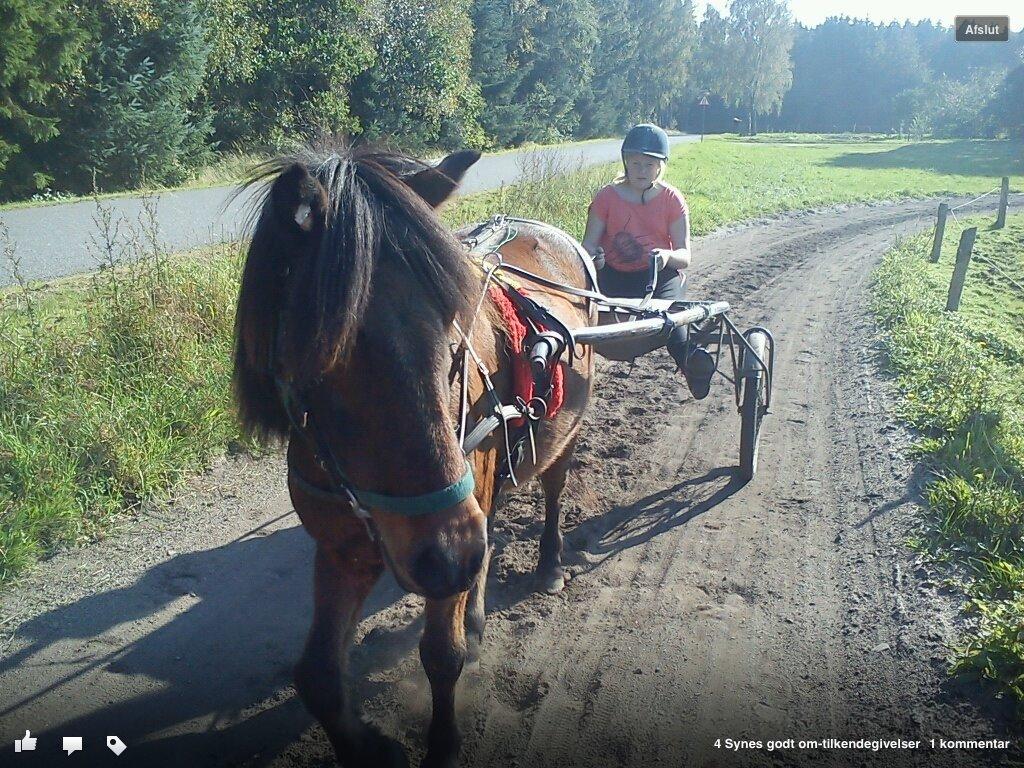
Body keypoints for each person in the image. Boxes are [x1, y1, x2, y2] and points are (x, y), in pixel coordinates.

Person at [581, 123, 716, 398]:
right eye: (636, 163)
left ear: (660, 167)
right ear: (626, 163)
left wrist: (666, 256)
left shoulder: (671, 199)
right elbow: (588, 246)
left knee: (673, 320)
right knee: (578, 316)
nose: (641, 170)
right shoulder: (606, 197)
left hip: (659, 276)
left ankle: (693, 364)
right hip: (612, 274)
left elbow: (684, 256)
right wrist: (595, 259)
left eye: (649, 164)